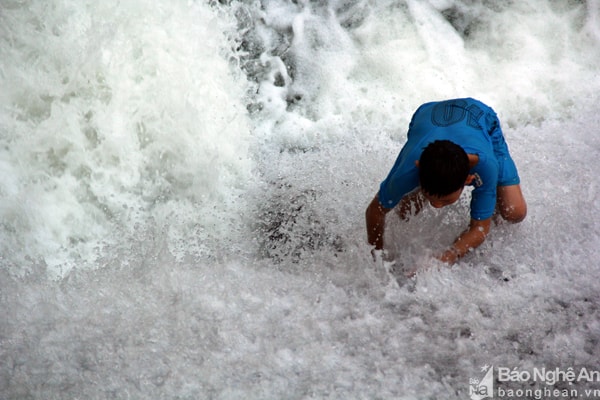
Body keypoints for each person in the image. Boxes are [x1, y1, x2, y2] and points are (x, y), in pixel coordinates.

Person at [365, 98, 526, 271]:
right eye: (430, 196)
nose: (436, 206)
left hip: (480, 116)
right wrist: (377, 255)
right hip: (426, 115)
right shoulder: (409, 169)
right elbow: (374, 211)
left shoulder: (485, 166)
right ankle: (430, 191)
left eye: (446, 200)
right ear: (419, 169)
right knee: (405, 212)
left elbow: (480, 228)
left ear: (468, 179)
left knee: (514, 212)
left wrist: (445, 257)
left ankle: (488, 203)